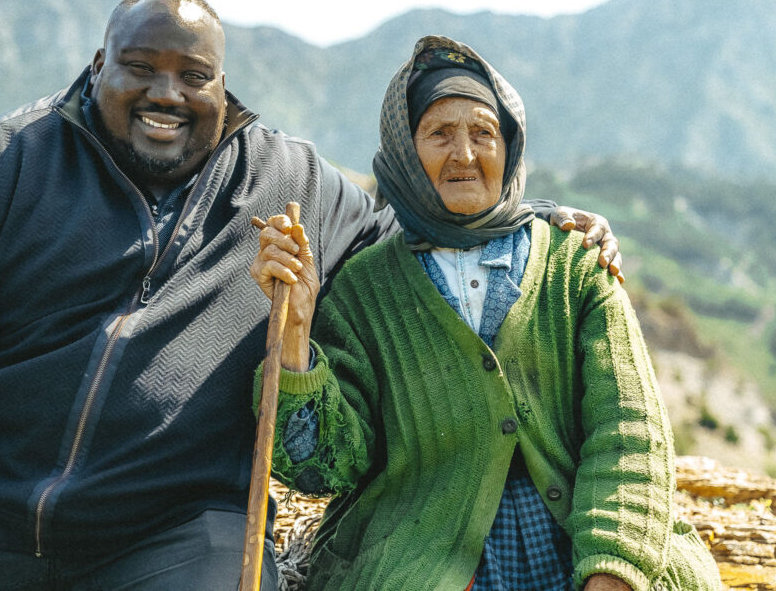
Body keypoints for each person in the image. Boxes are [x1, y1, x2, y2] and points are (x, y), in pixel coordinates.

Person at [0, 0, 621, 591]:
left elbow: (410, 238)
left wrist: (527, 220)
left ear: (224, 86)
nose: (166, 94)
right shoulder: (0, 166)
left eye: (194, 76)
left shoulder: (287, 182)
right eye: (140, 68)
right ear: (96, 66)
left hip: (168, 540)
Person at [250, 35, 720, 590]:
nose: (464, 155)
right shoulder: (363, 291)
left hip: (579, 541)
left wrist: (613, 570)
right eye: (439, 134)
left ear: (510, 147)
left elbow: (629, 429)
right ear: (405, 150)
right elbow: (320, 470)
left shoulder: (576, 266)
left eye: (483, 133)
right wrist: (296, 329)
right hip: (418, 555)